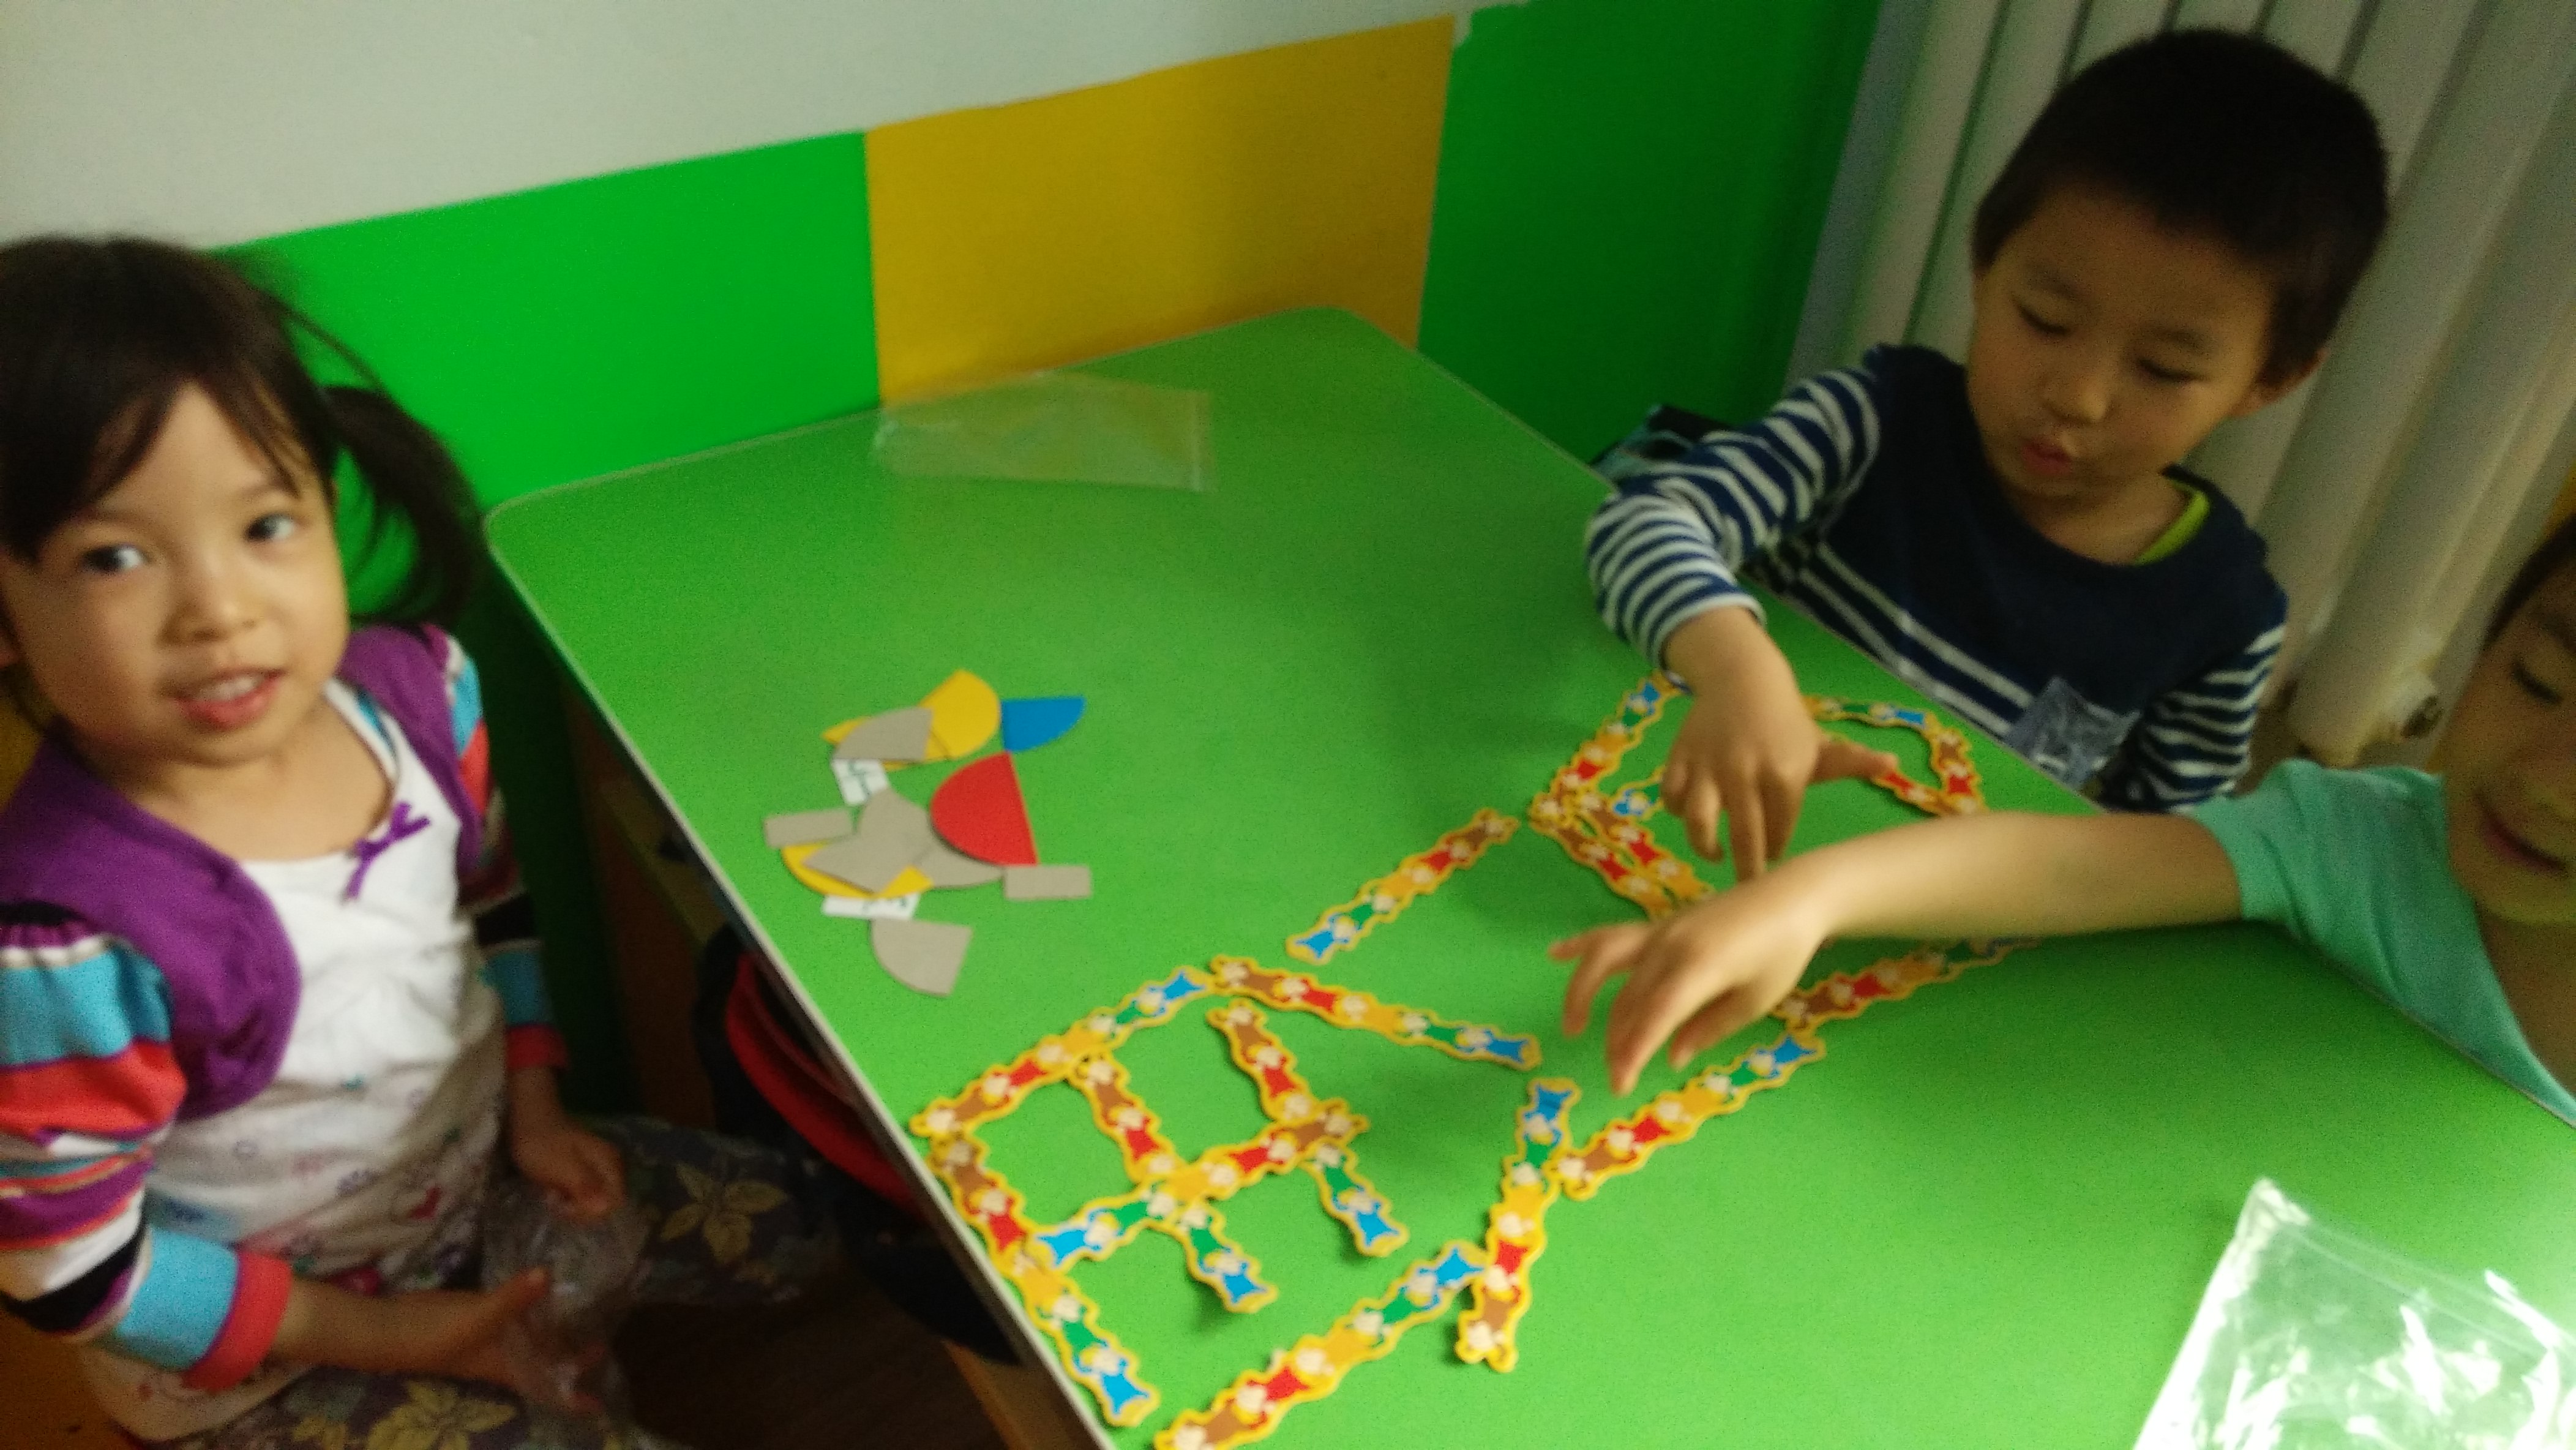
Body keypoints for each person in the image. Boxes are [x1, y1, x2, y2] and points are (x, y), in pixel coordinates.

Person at [0, 238, 840, 1447]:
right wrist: (401, 1335)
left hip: (477, 1181)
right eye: (114, 557)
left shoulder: (421, 694)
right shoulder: (65, 939)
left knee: (806, 1219)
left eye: (266, 523)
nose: (220, 609)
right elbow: (74, 1273)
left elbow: (492, 907)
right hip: (273, 1357)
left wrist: (538, 1106)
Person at [1586, 29, 2389, 873]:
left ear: (2272, 378)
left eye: (2163, 369)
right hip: (1689, 832)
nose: (2077, 396)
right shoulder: (1875, 419)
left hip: (1924, 917)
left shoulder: (2221, 614)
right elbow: (1642, 522)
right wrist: (1737, 671)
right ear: (1984, 262)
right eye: (2045, 319)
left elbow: (2167, 855)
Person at [1559, 513, 2576, 1121]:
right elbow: (2071, 866)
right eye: (2537, 682)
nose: (2545, 782)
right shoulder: (2360, 846)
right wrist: (1808, 898)